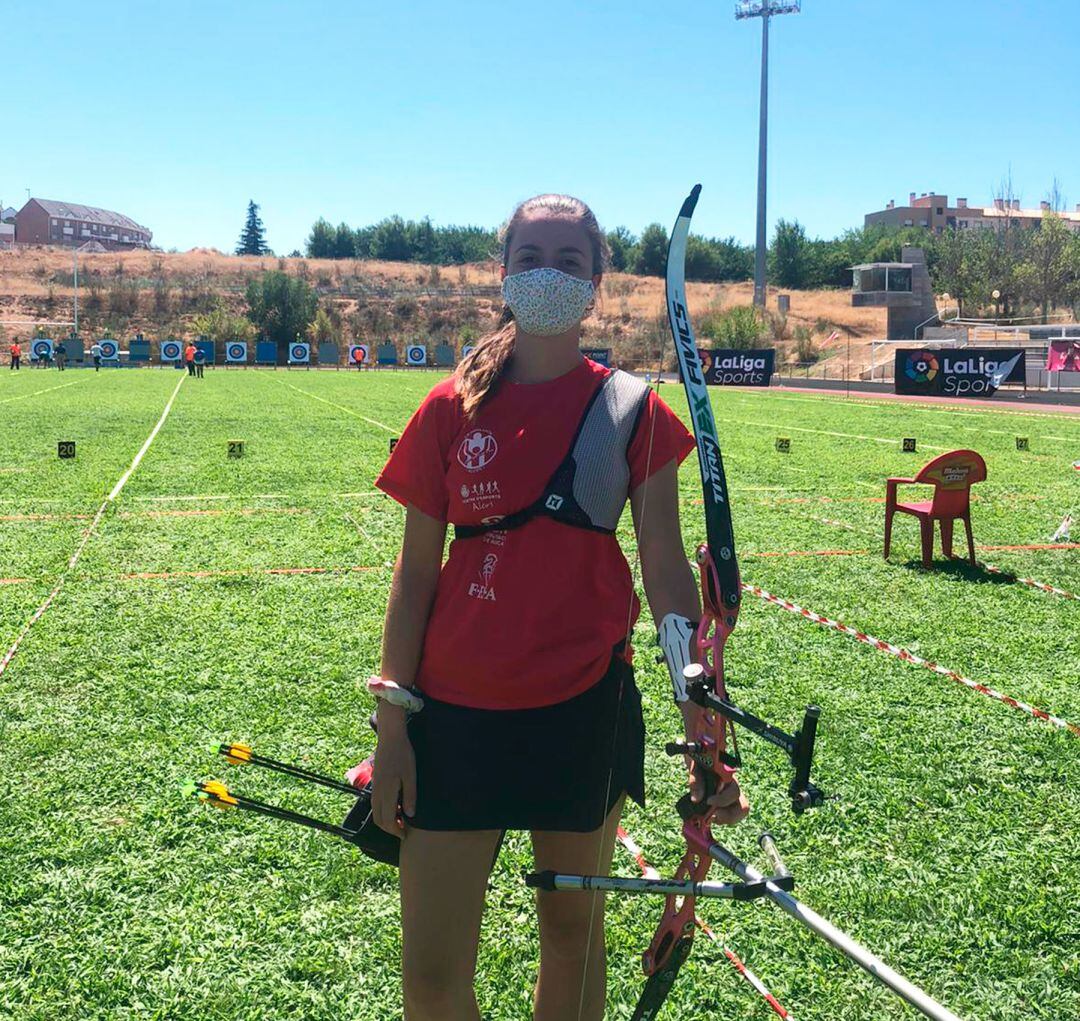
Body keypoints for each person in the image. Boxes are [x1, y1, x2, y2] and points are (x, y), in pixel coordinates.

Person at [370, 193, 749, 1021]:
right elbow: (415, 575)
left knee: (573, 945)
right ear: (504, 274)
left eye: (569, 262)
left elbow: (665, 572)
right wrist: (393, 725)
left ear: (596, 284)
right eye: (531, 257)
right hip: (453, 714)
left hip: (584, 708)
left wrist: (700, 707)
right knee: (433, 977)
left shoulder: (632, 410)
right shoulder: (448, 408)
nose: (548, 274)